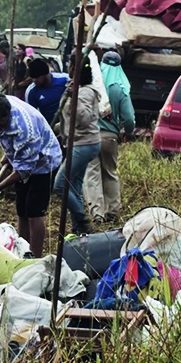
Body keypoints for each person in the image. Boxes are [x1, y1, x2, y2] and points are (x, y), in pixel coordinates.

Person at [0, 93, 62, 258]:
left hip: (45, 163)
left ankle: (35, 258)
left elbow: (23, 170)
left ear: (7, 114)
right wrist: (10, 154)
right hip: (24, 160)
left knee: (34, 212)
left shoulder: (24, 130)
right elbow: (13, 149)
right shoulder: (0, 104)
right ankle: (22, 252)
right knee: (21, 210)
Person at [83, 51, 136, 225]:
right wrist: (128, 132)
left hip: (90, 136)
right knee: (110, 173)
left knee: (92, 174)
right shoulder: (120, 87)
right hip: (110, 138)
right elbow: (128, 118)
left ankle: (97, 214)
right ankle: (112, 211)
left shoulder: (92, 83)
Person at [52, 56, 101, 235]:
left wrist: (74, 98)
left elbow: (85, 119)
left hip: (85, 144)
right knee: (74, 188)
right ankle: (78, 231)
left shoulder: (86, 92)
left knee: (59, 185)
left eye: (70, 65)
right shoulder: (77, 89)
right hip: (78, 143)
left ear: (75, 68)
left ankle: (82, 220)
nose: (68, 68)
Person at [24, 58, 69, 125]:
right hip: (48, 127)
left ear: (45, 74)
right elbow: (32, 115)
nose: (34, 80)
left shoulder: (64, 79)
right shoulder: (31, 91)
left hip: (66, 124)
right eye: (32, 77)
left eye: (37, 77)